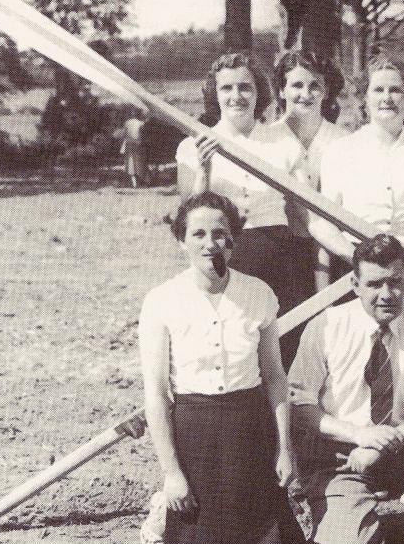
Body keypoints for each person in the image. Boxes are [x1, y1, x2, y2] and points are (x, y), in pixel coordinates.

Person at [288, 234, 404, 544]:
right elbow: (300, 405)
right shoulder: (327, 326)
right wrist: (359, 436)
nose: (387, 294)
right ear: (354, 284)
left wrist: (382, 443)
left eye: (395, 282)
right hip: (342, 459)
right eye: (374, 284)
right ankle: (352, 513)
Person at [139, 191, 295, 544]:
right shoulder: (161, 301)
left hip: (250, 428)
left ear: (234, 239)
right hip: (196, 432)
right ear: (181, 241)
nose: (211, 244)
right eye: (198, 234)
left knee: (262, 532)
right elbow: (157, 394)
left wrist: (284, 449)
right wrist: (172, 473)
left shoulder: (259, 293)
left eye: (220, 233)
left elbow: (274, 377)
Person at [174, 52, 309, 369]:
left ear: (258, 92)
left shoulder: (283, 140)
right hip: (225, 253)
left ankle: (282, 416)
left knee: (283, 342)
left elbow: (305, 206)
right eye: (227, 88)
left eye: (245, 87)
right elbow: (189, 215)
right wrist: (204, 171)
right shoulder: (194, 145)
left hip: (279, 253)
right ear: (215, 94)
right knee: (234, 341)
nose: (237, 96)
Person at [309, 54, 404, 282]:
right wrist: (356, 257)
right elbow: (324, 222)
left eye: (396, 90)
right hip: (355, 267)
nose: (387, 98)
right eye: (378, 90)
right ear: (365, 97)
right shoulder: (340, 150)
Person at [267, 50, 349, 287]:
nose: (306, 94)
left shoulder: (343, 141)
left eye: (315, 86)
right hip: (284, 251)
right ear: (282, 90)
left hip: (338, 251)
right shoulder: (268, 139)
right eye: (297, 85)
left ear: (325, 91)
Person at [122, 112, 149, 187]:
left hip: (129, 143)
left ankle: (133, 182)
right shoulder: (141, 123)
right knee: (139, 162)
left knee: (130, 162)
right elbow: (142, 135)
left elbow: (124, 134)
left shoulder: (127, 122)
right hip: (138, 144)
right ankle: (142, 180)